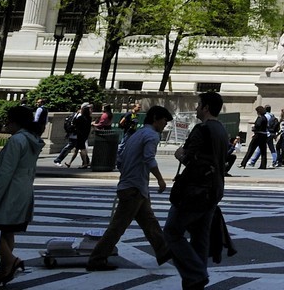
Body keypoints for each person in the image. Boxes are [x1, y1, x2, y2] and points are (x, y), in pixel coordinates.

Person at [88, 105, 173, 271]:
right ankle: (97, 259)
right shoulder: (152, 136)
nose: (165, 124)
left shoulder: (137, 134)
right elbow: (149, 159)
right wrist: (160, 180)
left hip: (132, 185)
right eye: (164, 120)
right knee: (118, 226)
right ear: (155, 118)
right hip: (134, 187)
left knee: (149, 221)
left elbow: (120, 158)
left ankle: (164, 251)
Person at [164, 91, 229, 290]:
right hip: (214, 189)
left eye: (198, 104)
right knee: (200, 237)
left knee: (172, 232)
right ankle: (195, 282)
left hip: (195, 190)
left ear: (206, 107)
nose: (195, 108)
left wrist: (179, 154)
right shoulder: (222, 130)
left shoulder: (202, 129)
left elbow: (190, 159)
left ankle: (196, 275)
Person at [0, 105, 42, 288]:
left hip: (9, 191)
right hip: (24, 189)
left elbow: (6, 171)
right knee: (7, 231)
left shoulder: (16, 140)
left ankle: (12, 261)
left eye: (8, 120)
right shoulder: (32, 139)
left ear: (16, 122)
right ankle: (4, 270)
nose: (6, 124)